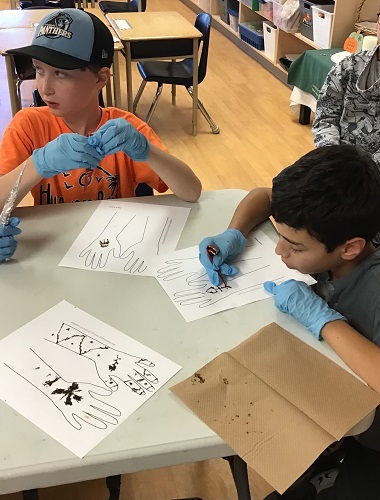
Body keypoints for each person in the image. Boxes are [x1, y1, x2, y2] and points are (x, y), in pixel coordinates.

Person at [199, 145, 380, 498]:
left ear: (350, 249)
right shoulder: (331, 226)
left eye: (294, 247)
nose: (280, 251)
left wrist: (322, 318)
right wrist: (235, 233)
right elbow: (263, 197)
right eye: (279, 235)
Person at [0, 9, 202, 262]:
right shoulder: (28, 126)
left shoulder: (126, 128)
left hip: (117, 253)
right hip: (56, 252)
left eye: (60, 73)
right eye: (39, 70)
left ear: (101, 78)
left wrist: (147, 151)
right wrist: (37, 164)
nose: (44, 87)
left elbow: (192, 191)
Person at [311, 8, 380, 166]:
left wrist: (367, 170)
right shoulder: (348, 67)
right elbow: (325, 118)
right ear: (377, 24)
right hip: (337, 161)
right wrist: (332, 156)